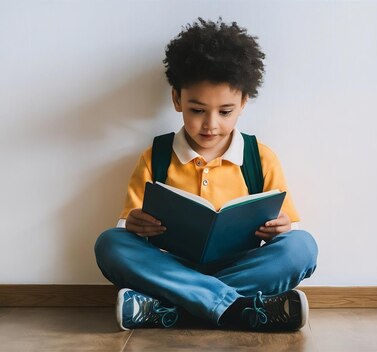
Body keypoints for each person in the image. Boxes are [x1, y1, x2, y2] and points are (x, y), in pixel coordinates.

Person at [94, 18, 318, 332]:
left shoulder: (260, 158)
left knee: (302, 247)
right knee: (110, 244)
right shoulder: (156, 157)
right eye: (197, 110)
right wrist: (133, 224)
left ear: (243, 102)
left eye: (224, 111)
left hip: (239, 266)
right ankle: (239, 308)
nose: (210, 124)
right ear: (177, 100)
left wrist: (281, 228)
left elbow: (287, 227)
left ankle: (170, 309)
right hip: (172, 266)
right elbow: (128, 226)